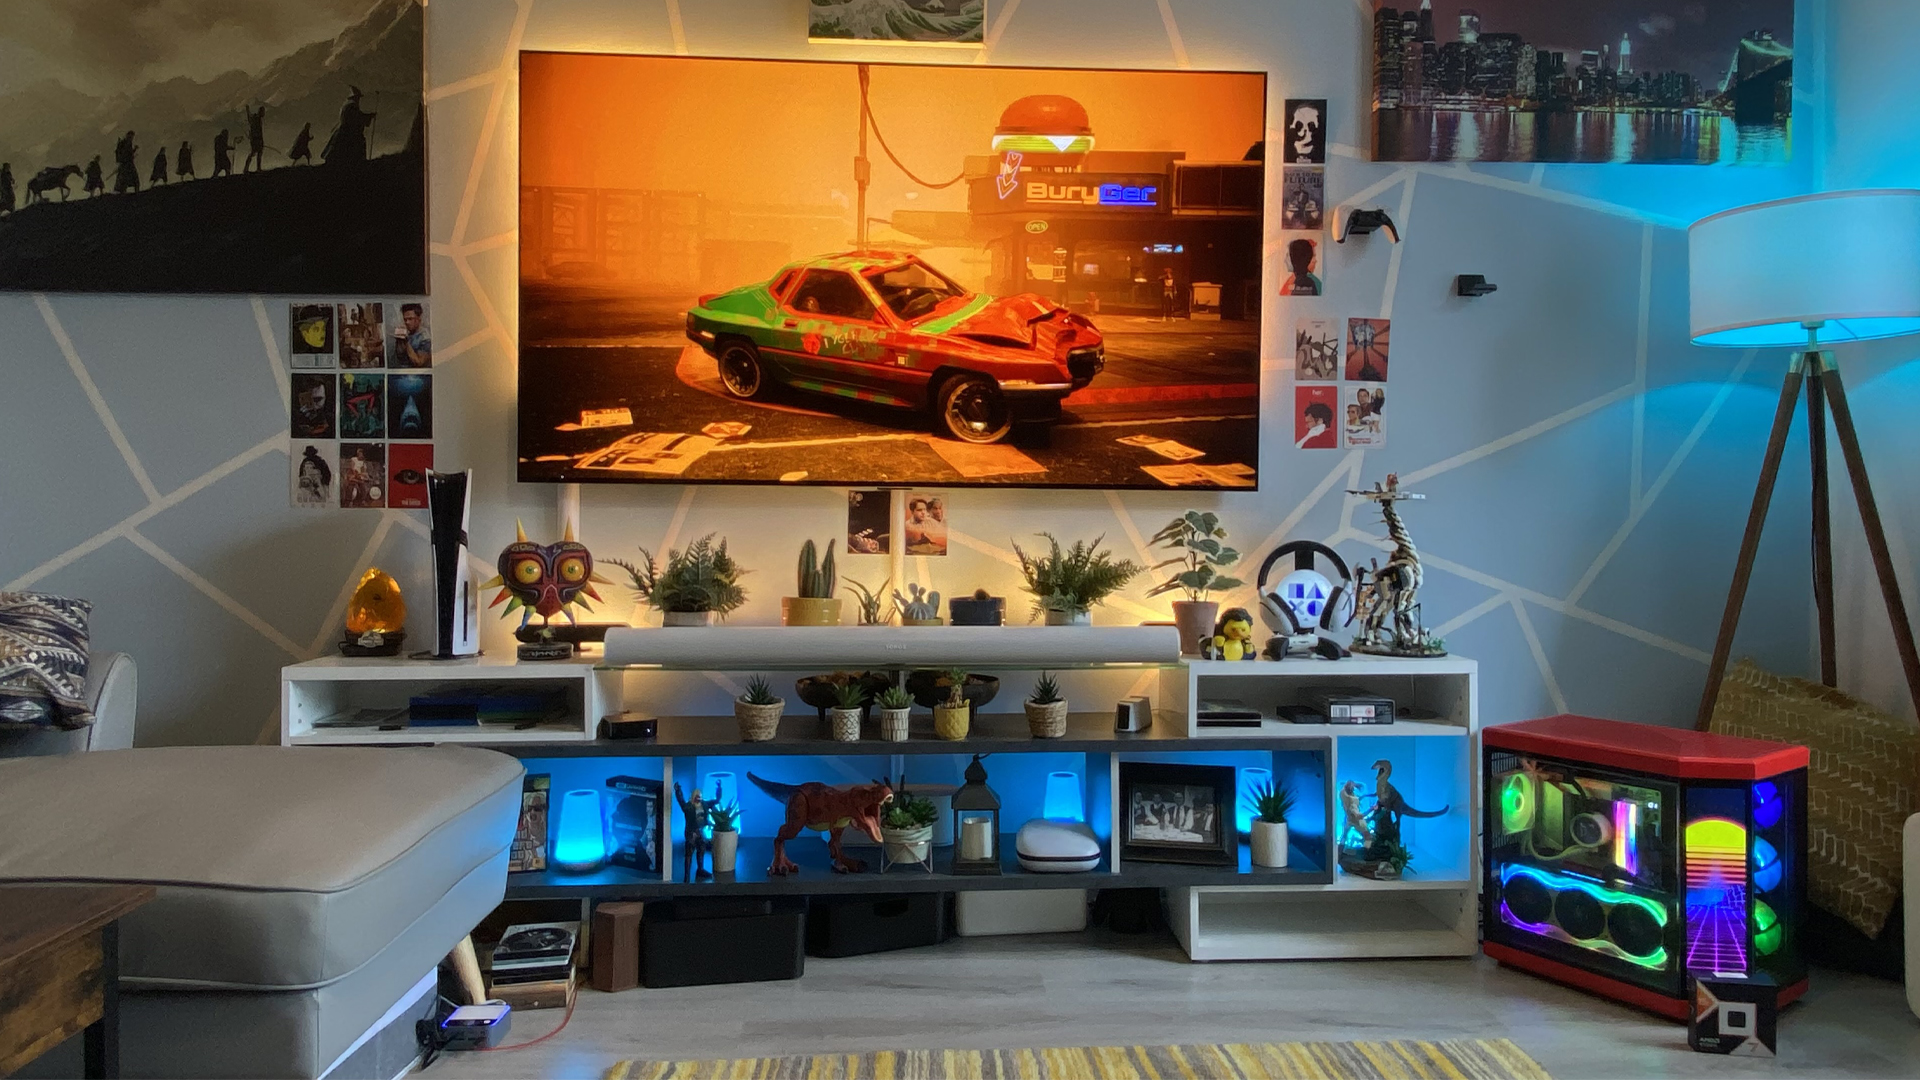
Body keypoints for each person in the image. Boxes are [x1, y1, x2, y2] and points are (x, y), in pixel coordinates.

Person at [323, 86, 376, 165]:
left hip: (344, 131)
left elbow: (357, 116)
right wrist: (369, 116)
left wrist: (369, 116)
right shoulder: (352, 105)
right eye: (358, 97)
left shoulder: (347, 105)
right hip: (349, 133)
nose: (359, 99)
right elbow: (357, 117)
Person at [243, 104, 267, 173]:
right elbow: (251, 123)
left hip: (258, 139)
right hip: (256, 139)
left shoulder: (257, 118)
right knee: (254, 153)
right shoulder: (256, 118)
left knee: (258, 153)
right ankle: (247, 168)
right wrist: (247, 110)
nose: (264, 113)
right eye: (263, 112)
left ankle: (256, 168)